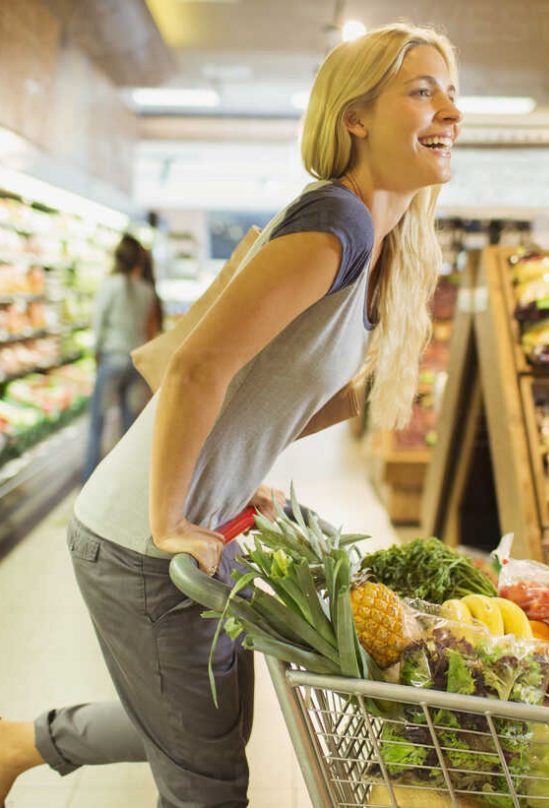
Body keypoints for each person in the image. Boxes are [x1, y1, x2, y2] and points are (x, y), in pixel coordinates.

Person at [0, 22, 462, 808]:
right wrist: (172, 519)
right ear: (355, 116)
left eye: (453, 92)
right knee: (208, 780)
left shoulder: (378, 241)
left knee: (205, 731)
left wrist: (241, 482)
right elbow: (195, 366)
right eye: (423, 90)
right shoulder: (337, 223)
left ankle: (20, 743)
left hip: (202, 522)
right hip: (140, 539)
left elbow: (267, 393)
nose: (450, 110)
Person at [82, 234, 159, 481]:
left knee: (98, 421)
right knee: (128, 424)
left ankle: (89, 479)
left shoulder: (110, 284)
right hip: (134, 361)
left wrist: (97, 353)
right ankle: (124, 478)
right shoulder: (146, 290)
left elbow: (99, 323)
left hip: (112, 358)